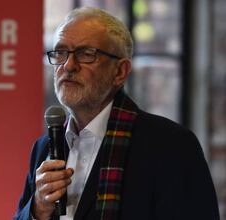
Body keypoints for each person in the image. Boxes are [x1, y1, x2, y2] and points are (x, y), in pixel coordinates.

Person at [14, 6, 220, 220]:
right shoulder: (45, 147)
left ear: (120, 71)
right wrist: (37, 208)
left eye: (86, 54)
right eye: (60, 52)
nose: (68, 65)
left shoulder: (170, 145)